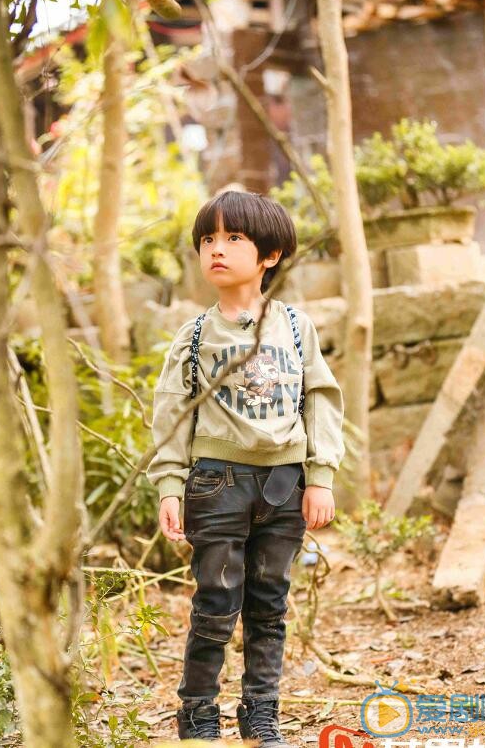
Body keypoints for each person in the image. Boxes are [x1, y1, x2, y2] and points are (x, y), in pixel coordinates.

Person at [146, 190, 345, 745]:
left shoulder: (295, 327)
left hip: (285, 484)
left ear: (270, 255)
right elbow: (171, 412)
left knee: (269, 604)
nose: (217, 249)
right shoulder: (195, 336)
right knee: (215, 601)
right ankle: (198, 716)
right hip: (216, 484)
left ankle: (261, 714)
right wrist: (169, 486)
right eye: (208, 239)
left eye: (234, 238)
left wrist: (321, 477)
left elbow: (322, 399)